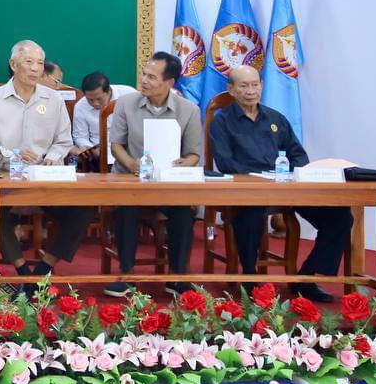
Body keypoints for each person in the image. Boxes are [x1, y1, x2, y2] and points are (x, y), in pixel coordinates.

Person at [208, 65, 348, 303]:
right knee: (250, 214)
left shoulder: (275, 118)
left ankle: (306, 277)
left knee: (340, 216)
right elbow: (225, 162)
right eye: (243, 86)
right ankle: (250, 277)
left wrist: (289, 177)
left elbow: (298, 156)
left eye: (255, 85)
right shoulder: (222, 122)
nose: (251, 91)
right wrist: (258, 178)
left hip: (285, 188)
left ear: (262, 86)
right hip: (248, 192)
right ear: (231, 89)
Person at [0, 40, 90, 283]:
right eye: (29, 62)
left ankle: (44, 268)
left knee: (83, 209)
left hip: (44, 179)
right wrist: (12, 155)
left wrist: (52, 158)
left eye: (39, 63)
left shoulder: (54, 99)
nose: (35, 68)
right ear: (13, 64)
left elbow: (63, 141)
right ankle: (23, 271)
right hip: (4, 177)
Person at [104, 52, 202, 297]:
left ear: (170, 82)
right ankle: (127, 275)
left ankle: (177, 277)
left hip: (169, 184)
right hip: (132, 179)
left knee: (183, 212)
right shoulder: (125, 103)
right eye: (144, 74)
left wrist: (183, 164)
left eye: (152, 77)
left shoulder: (189, 110)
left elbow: (193, 154)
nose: (144, 81)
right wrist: (131, 164)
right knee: (126, 208)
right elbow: (116, 145)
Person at [71, 72, 137, 169]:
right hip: (100, 155)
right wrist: (89, 148)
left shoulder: (129, 94)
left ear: (108, 91)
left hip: (129, 152)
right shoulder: (81, 106)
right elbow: (80, 136)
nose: (95, 103)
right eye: (90, 100)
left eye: (99, 99)